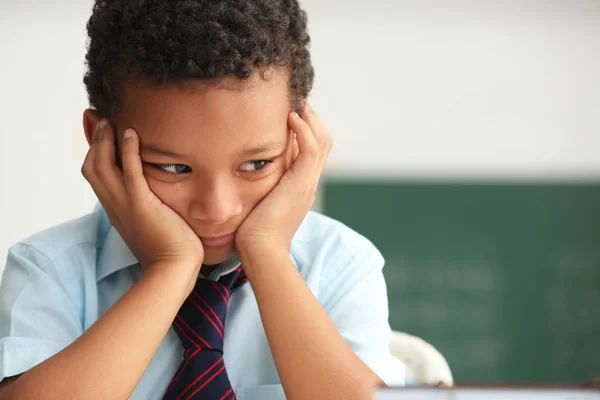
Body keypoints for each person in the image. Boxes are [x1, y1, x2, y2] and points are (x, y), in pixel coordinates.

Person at [0, 1, 405, 399]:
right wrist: (170, 266)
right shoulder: (50, 270)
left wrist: (266, 251)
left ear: (301, 141)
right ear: (100, 140)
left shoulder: (339, 265)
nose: (217, 209)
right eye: (172, 168)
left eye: (257, 163)